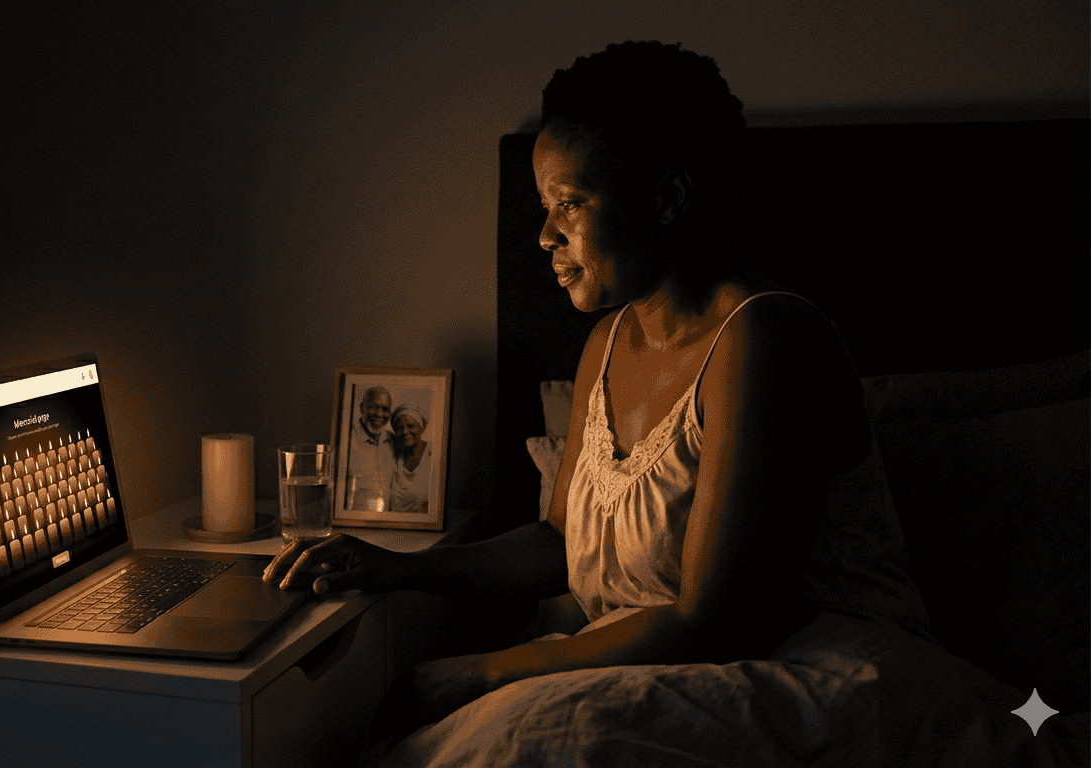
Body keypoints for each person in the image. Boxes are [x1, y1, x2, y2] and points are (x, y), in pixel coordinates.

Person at [263, 41, 1021, 767]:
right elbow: (560, 543)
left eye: (570, 203)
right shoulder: (607, 343)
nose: (544, 236)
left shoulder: (763, 337)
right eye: (543, 206)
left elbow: (713, 619)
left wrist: (489, 669)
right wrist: (397, 571)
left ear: (668, 198)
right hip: (667, 659)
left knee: (548, 741)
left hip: (817, 666)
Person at [347, 386, 394, 511]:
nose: (379, 414)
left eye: (385, 409)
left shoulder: (394, 442)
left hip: (388, 521)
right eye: (374, 407)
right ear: (362, 407)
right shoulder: (345, 440)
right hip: (354, 522)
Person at [386, 405, 431, 512]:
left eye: (411, 426)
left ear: (422, 427)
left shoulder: (434, 455)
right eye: (400, 428)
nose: (405, 431)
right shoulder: (393, 456)